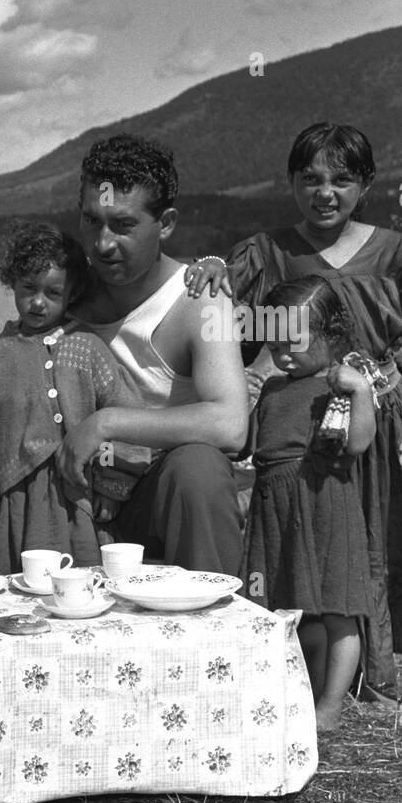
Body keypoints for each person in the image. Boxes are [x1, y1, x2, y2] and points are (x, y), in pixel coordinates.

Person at [184, 122, 402, 702]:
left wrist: (400, 358)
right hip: (302, 428)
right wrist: (209, 269)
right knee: (310, 544)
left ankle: (373, 675)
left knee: (372, 540)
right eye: (310, 179)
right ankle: (305, 674)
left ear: (366, 184)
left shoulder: (400, 252)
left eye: (341, 179)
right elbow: (227, 316)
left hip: (375, 417)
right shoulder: (266, 252)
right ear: (291, 182)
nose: (324, 192)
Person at [58, 133, 249, 575]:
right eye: (91, 222)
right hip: (70, 495)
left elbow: (231, 424)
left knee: (199, 468)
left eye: (123, 226)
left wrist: (106, 423)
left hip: (157, 501)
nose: (102, 244)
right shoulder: (60, 293)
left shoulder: (199, 301)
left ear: (165, 223)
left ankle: (214, 628)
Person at [242, 277, 377, 731]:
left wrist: (360, 392)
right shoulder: (274, 389)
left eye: (293, 343)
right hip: (276, 509)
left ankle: (331, 705)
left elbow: (357, 444)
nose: (283, 354)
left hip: (326, 507)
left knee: (338, 609)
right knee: (278, 603)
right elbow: (252, 449)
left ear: (332, 336)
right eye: (274, 345)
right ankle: (279, 694)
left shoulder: (340, 385)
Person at [0, 220, 136, 574]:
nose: (39, 302)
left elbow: (125, 419)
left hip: (81, 496)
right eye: (28, 288)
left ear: (72, 294)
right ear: (11, 282)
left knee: (86, 581)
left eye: (53, 293)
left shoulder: (87, 348)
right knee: (24, 583)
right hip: (19, 500)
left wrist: (114, 483)